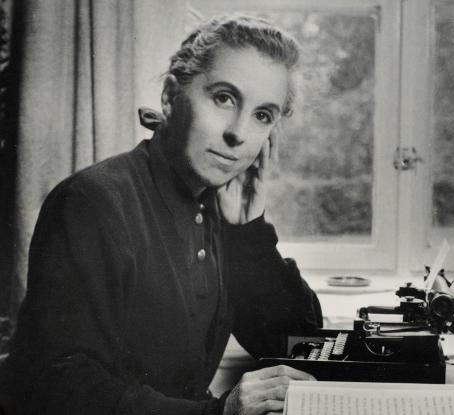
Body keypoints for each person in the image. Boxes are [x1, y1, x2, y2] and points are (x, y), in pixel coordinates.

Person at [6, 14, 322, 415]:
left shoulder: (217, 205)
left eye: (263, 115)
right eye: (224, 97)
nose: (238, 133)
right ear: (171, 96)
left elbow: (300, 341)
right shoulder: (93, 202)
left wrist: (250, 230)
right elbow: (59, 385)